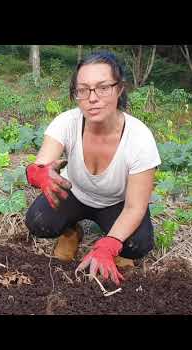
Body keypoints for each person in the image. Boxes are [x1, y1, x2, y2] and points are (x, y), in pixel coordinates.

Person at [25, 51, 161, 286]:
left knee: (137, 244)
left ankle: (114, 244)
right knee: (38, 221)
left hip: (117, 204)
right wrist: (38, 173)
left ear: (119, 89)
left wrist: (109, 246)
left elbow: (135, 206)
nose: (92, 97)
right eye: (83, 89)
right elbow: (42, 163)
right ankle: (72, 233)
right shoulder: (67, 122)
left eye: (103, 87)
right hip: (75, 193)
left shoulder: (140, 138)